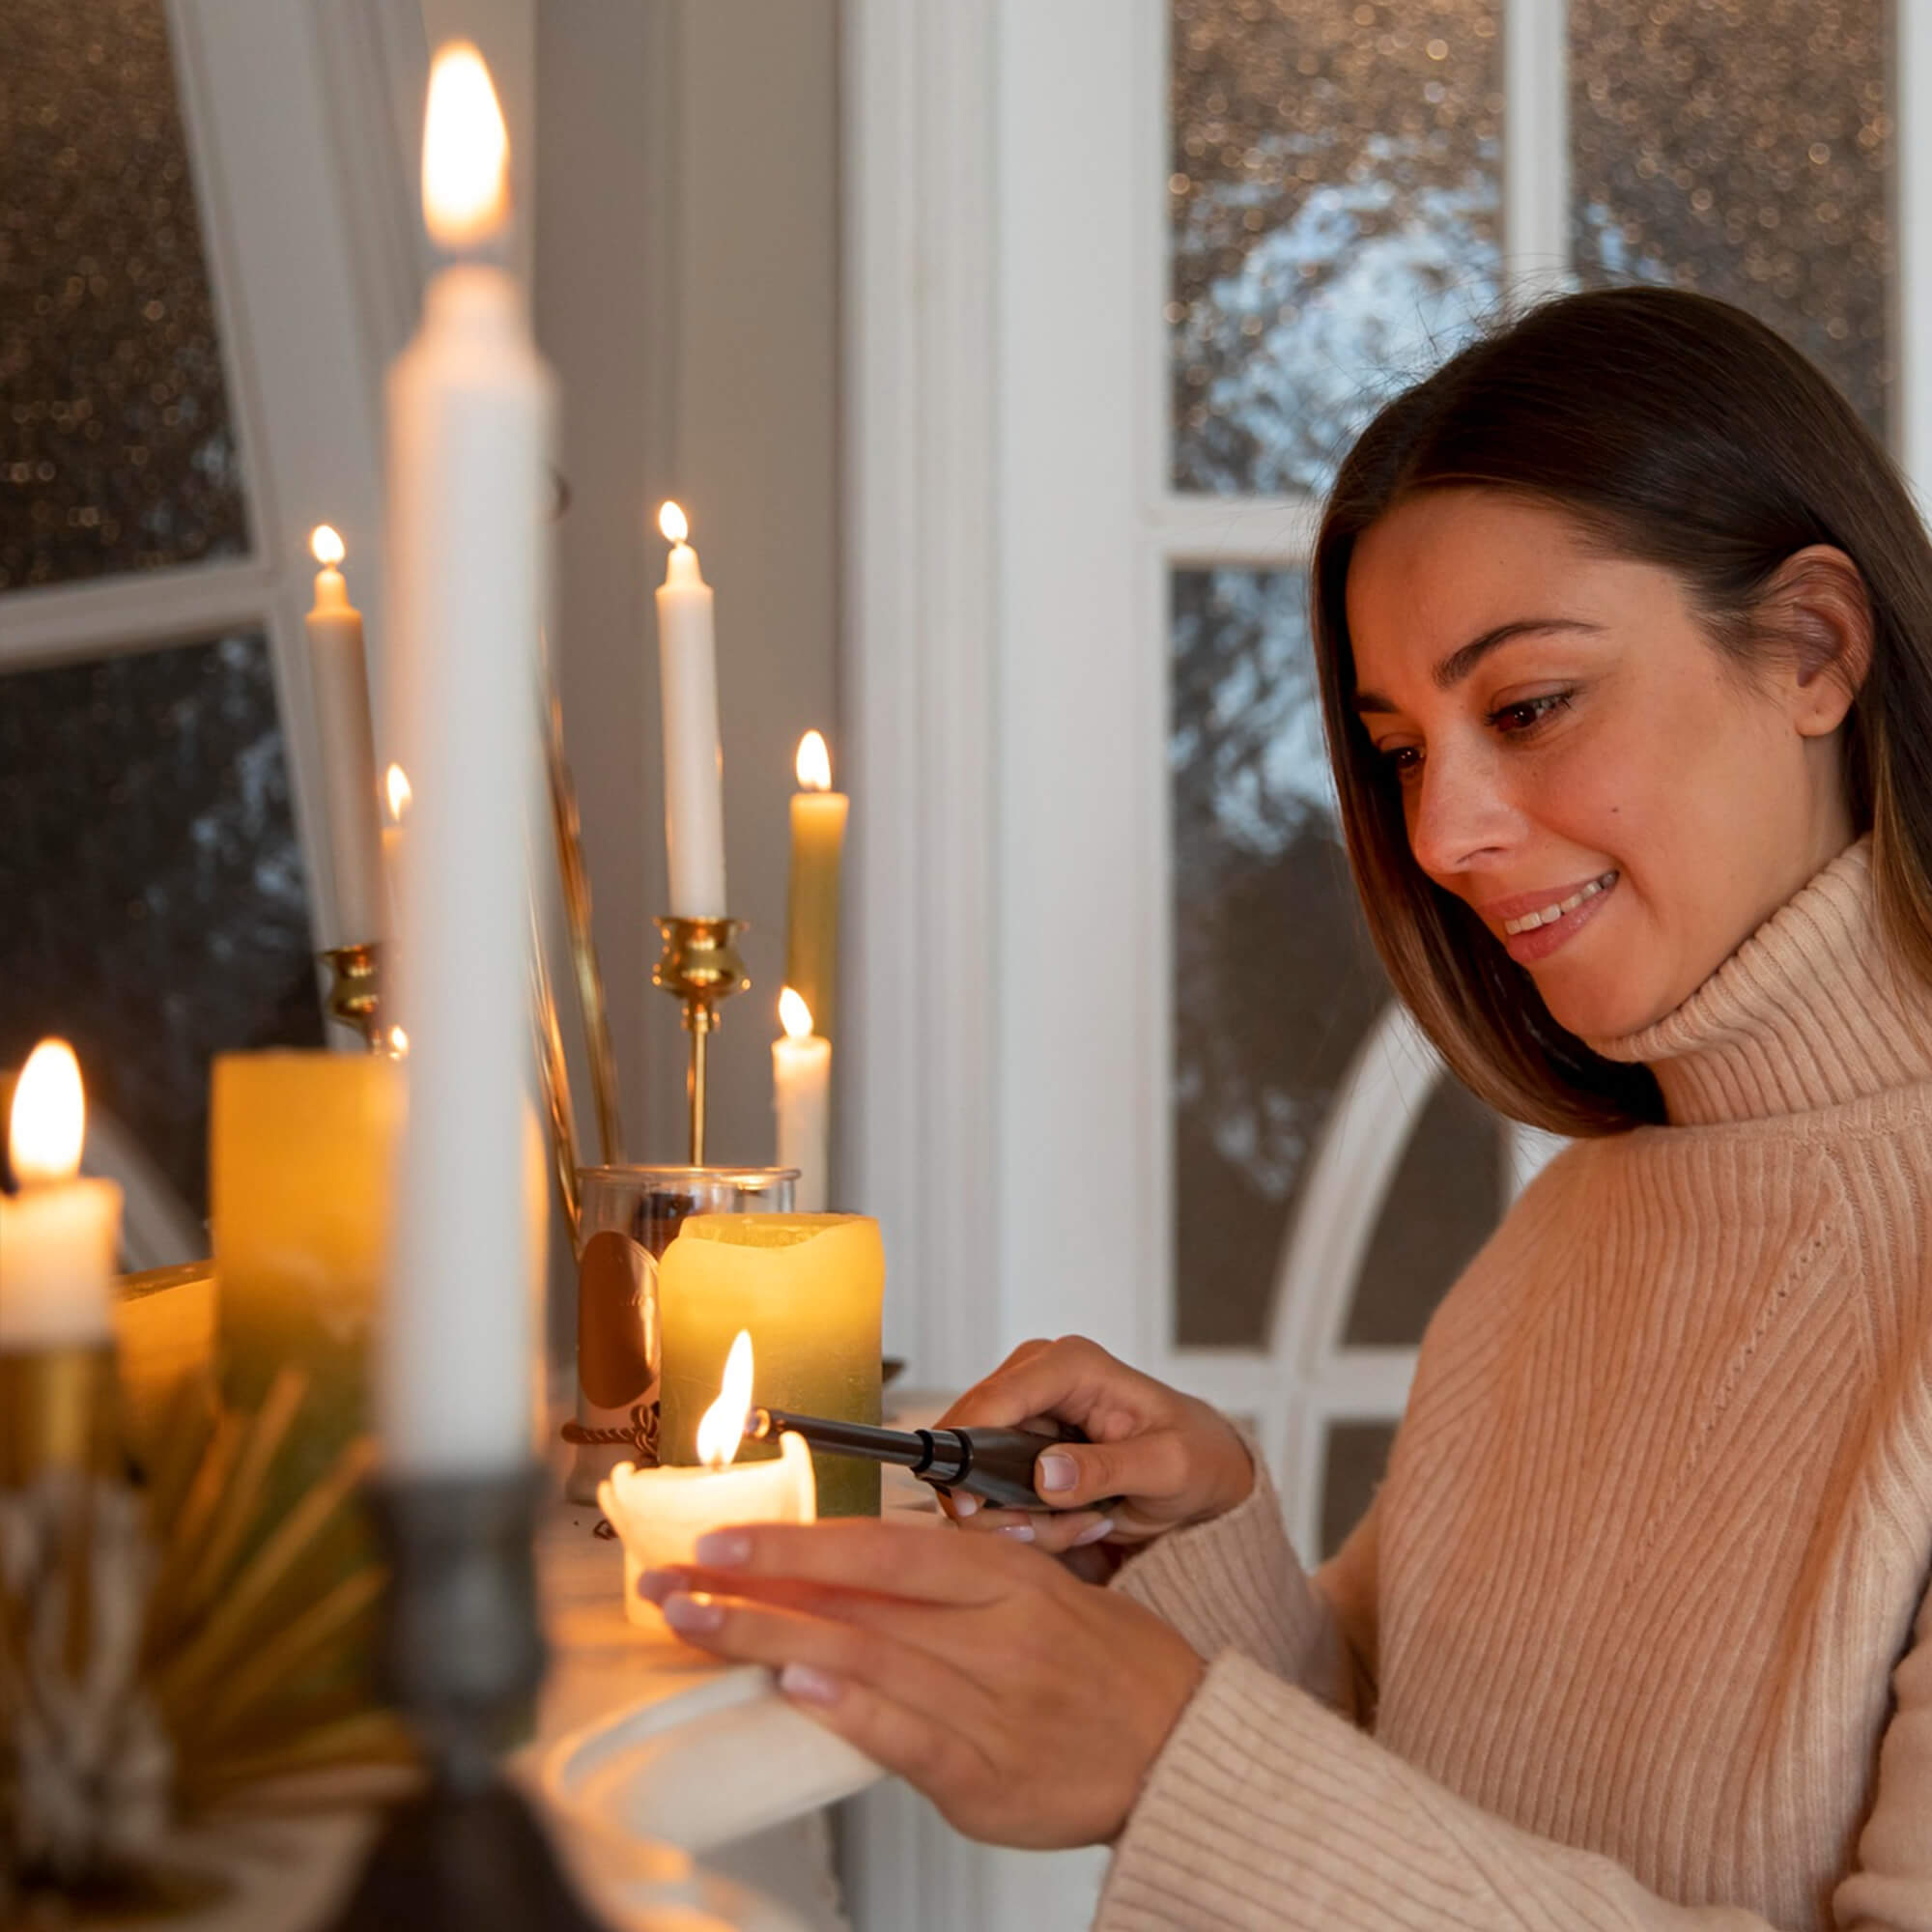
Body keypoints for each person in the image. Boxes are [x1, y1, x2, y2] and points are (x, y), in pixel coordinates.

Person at [636, 287, 1932, 1928]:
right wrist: (1203, 1536)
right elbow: (1426, 1785)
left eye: (1527, 706)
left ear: (1814, 649)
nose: (1444, 832)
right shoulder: (1583, 1224)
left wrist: (1178, 1770)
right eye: (1399, 750)